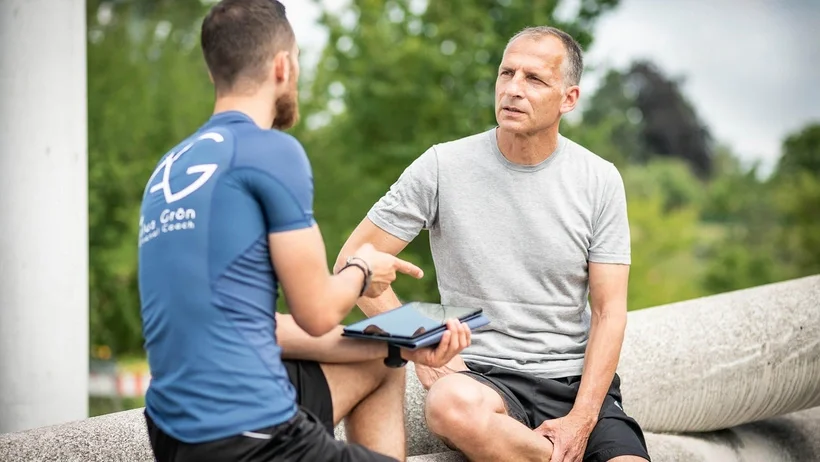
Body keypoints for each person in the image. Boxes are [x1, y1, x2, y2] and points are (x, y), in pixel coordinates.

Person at [136, 1, 472, 461]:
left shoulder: (169, 168)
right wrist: (361, 268)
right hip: (249, 432)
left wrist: (403, 345)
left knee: (382, 362)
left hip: (173, 434)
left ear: (215, 72)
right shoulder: (270, 150)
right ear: (282, 65)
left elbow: (252, 323)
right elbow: (317, 313)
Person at [337, 26, 651, 462]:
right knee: (448, 405)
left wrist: (582, 419)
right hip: (483, 380)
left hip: (573, 385)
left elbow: (608, 311)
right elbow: (352, 263)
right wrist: (423, 346)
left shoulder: (599, 180)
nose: (513, 89)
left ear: (569, 99)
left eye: (534, 79)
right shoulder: (442, 166)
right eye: (507, 74)